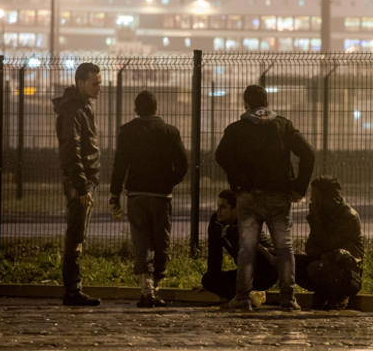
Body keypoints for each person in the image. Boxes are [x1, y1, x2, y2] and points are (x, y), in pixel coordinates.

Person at [215, 84, 315, 311]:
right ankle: (288, 299)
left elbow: (221, 155)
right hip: (279, 196)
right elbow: (308, 154)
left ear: (245, 104)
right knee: (284, 247)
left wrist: (237, 179)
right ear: (267, 103)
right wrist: (298, 187)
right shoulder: (282, 126)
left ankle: (242, 297)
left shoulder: (236, 130)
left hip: (248, 196)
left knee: (247, 248)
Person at [109, 90, 188, 307]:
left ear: (136, 109)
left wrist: (115, 193)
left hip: (136, 194)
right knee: (161, 241)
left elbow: (120, 165)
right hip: (161, 195)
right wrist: (169, 181)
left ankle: (146, 289)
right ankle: (156, 286)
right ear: (156, 108)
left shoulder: (127, 132)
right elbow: (183, 164)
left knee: (141, 241)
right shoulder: (170, 132)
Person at [53, 62, 102, 306]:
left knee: (77, 234)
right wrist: (82, 186)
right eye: (94, 84)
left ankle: (74, 288)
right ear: (80, 83)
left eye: (99, 83)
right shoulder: (74, 110)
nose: (98, 88)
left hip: (82, 180)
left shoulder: (80, 108)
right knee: (76, 234)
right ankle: (73, 290)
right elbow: (72, 150)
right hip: (80, 182)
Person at [295, 176, 363, 310]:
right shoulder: (322, 214)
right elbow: (311, 248)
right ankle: (323, 293)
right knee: (293, 263)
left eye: (315, 196)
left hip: (347, 273)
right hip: (325, 262)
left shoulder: (348, 216)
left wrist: (315, 220)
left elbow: (330, 246)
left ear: (327, 197)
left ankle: (340, 296)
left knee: (317, 267)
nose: (312, 200)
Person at [202, 189, 277, 307]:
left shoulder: (247, 223)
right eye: (218, 207)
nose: (218, 211)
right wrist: (213, 282)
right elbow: (214, 254)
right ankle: (250, 295)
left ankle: (248, 294)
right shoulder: (216, 222)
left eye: (223, 207)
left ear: (235, 210)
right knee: (208, 279)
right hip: (244, 274)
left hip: (264, 272)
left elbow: (265, 257)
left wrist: (233, 233)